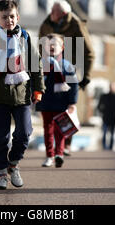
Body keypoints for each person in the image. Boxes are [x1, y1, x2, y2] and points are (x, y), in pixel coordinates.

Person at [0, 0, 45, 190]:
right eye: (4, 17)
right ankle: (2, 174)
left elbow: (36, 66)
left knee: (24, 132)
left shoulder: (25, 37)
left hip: (22, 94)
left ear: (18, 17)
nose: (9, 20)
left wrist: (39, 89)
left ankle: (14, 164)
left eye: (12, 16)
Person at [38, 0, 95, 155]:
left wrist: (86, 76)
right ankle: (54, 147)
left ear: (63, 13)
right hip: (50, 68)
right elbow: (40, 45)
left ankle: (66, 143)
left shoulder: (76, 25)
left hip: (70, 67)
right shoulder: (47, 23)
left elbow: (88, 52)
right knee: (50, 107)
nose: (51, 12)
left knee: (68, 107)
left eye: (54, 10)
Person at [35, 33, 78, 168]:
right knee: (47, 129)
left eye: (56, 44)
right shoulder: (41, 64)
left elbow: (74, 85)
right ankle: (49, 155)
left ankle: (59, 154)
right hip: (46, 101)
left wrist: (72, 103)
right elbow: (35, 82)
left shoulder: (67, 65)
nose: (52, 46)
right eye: (49, 44)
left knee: (60, 129)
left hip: (61, 102)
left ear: (62, 47)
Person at [97, 82, 115, 151]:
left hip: (113, 118)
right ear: (109, 87)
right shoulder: (104, 96)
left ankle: (111, 148)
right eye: (111, 86)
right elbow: (99, 106)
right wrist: (102, 112)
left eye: (113, 86)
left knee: (112, 134)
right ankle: (104, 148)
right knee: (104, 133)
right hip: (105, 118)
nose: (112, 88)